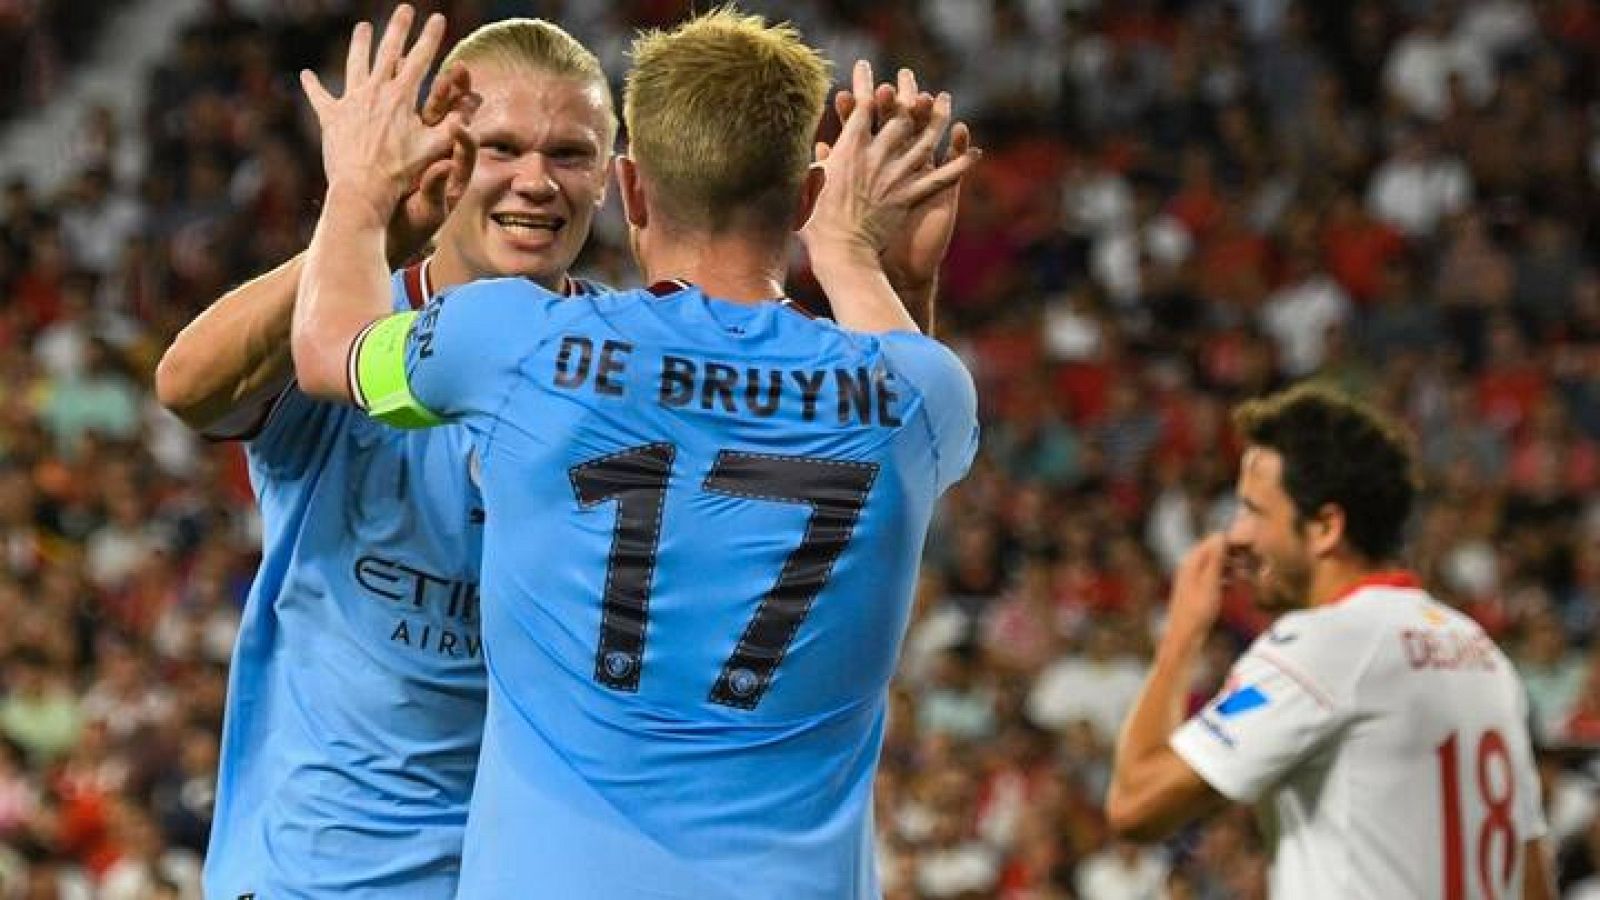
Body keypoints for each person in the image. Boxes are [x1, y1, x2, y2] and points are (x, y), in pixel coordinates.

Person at [289, 6, 980, 898]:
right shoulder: (919, 393)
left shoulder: (516, 343)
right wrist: (859, 256)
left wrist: (357, 185)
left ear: (632, 187)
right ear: (805, 198)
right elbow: (907, 410)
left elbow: (326, 348)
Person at [153, 11, 617, 897]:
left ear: (609, 179)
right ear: (441, 156)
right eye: (502, 147)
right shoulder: (353, 325)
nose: (535, 181)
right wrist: (362, 215)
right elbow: (188, 387)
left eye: (569, 154)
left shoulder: (629, 365)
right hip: (317, 876)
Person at [1106, 384, 1556, 900]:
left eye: (1255, 511)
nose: (1236, 535)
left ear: (1325, 527)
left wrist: (1179, 637)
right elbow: (1531, 878)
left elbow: (1134, 806)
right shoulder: (1478, 652)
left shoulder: (1325, 645)